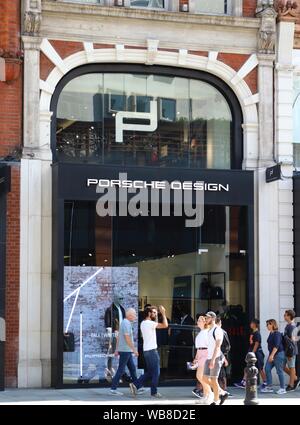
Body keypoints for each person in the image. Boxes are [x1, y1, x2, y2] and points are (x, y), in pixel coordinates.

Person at [130, 305, 168, 398]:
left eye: (156, 312)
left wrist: (156, 315)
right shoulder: (149, 323)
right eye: (154, 313)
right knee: (156, 372)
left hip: (146, 351)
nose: (156, 314)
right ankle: (154, 392)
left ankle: (135, 384)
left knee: (151, 372)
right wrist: (163, 313)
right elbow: (165, 325)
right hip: (152, 351)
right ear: (149, 313)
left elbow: (155, 323)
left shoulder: (143, 323)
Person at [110, 308, 147, 396]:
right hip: (126, 350)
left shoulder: (124, 323)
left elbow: (119, 337)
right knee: (121, 369)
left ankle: (138, 387)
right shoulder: (126, 323)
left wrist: (116, 349)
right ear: (130, 315)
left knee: (132, 369)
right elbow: (127, 338)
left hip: (126, 350)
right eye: (134, 315)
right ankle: (113, 388)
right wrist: (134, 350)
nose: (135, 317)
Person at [202, 311, 229, 405]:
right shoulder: (209, 330)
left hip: (215, 357)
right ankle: (222, 392)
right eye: (205, 318)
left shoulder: (217, 330)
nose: (206, 319)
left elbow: (218, 346)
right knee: (204, 378)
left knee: (214, 379)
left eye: (207, 317)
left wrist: (213, 360)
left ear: (213, 318)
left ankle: (216, 400)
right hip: (209, 357)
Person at [234, 319, 267, 389]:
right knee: (248, 367)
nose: (250, 324)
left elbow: (257, 343)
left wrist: (253, 353)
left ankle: (265, 382)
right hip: (252, 352)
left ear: (255, 324)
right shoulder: (253, 332)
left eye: (252, 323)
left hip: (257, 353)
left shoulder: (257, 333)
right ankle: (243, 382)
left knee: (260, 368)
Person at [261, 319, 286, 395]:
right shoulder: (271, 334)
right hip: (272, 354)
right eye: (267, 324)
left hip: (278, 355)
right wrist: (271, 355)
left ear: (272, 325)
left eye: (268, 324)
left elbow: (276, 346)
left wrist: (271, 356)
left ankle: (282, 388)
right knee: (267, 369)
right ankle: (269, 387)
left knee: (279, 371)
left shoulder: (277, 334)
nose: (267, 326)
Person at [192, 315, 212, 402]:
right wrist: (196, 358)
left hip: (205, 354)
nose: (198, 321)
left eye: (200, 320)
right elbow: (198, 348)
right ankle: (206, 395)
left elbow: (209, 346)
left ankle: (209, 394)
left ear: (204, 322)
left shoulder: (207, 332)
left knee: (201, 376)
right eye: (198, 320)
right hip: (200, 354)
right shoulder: (201, 332)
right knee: (201, 376)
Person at [283, 310, 299, 391]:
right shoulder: (288, 326)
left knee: (291, 367)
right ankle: (295, 378)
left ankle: (291, 385)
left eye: (285, 315)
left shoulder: (292, 326)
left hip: (290, 350)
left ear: (289, 316)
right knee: (283, 366)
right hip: (286, 350)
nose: (284, 316)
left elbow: (293, 341)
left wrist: (290, 353)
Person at [215, 317, 231, 394]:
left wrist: (223, 355)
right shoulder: (213, 332)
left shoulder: (222, 332)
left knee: (221, 373)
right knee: (218, 373)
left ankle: (224, 389)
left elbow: (227, 346)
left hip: (221, 354)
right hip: (217, 354)